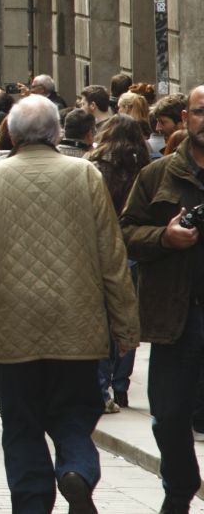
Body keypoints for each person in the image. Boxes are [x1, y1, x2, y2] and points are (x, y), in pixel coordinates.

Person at [0, 95, 139, 513]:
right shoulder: (86, 175)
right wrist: (126, 325)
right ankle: (75, 469)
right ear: (56, 133)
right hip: (78, 325)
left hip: (13, 327)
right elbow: (112, 257)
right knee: (75, 413)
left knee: (21, 424)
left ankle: (31, 504)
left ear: (12, 134)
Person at [120, 85, 204, 514]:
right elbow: (126, 234)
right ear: (186, 118)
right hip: (178, 318)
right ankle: (180, 486)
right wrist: (164, 237)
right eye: (200, 111)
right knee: (169, 415)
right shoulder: (158, 175)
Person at [87, 114, 151, 414]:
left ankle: (101, 389)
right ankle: (121, 386)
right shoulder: (145, 165)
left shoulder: (96, 164)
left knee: (100, 319)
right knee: (127, 317)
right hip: (134, 244)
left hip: (102, 248)